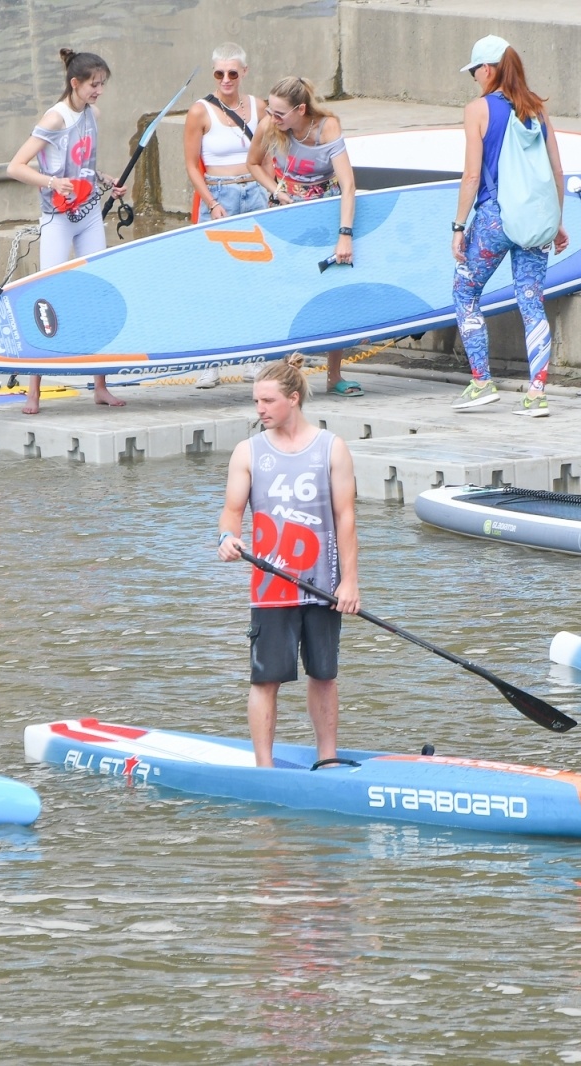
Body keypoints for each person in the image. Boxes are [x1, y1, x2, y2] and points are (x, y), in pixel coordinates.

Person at [217, 354, 360, 767]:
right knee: (266, 679)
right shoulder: (248, 452)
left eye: (267, 401)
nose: (259, 409)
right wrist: (228, 538)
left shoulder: (331, 448)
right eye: (256, 401)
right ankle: (264, 766)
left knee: (324, 675)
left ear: (293, 399)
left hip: (322, 584)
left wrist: (349, 582)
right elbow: (231, 512)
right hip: (271, 586)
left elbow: (346, 518)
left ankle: (328, 758)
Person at [449, 35, 569, 418]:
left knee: (465, 290)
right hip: (535, 220)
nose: (474, 79)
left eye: (474, 72)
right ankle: (536, 393)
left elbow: (471, 177)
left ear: (487, 69)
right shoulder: (537, 108)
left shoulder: (478, 109)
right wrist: (557, 221)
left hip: (493, 218)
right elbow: (556, 171)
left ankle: (482, 382)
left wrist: (458, 225)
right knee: (531, 301)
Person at [6, 48, 127, 413]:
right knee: (47, 297)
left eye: (102, 84)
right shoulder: (55, 119)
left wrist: (106, 179)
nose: (99, 91)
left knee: (100, 292)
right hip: (58, 218)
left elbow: (83, 164)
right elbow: (15, 166)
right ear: (75, 83)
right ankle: (33, 391)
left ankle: (100, 385)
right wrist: (51, 182)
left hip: (88, 214)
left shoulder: (92, 114)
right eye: (94, 84)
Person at [246, 77, 363, 397]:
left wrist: (345, 236)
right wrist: (275, 191)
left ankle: (334, 375)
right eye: (270, 110)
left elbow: (348, 186)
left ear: (301, 109)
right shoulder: (271, 125)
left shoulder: (327, 127)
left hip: (326, 217)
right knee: (289, 294)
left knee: (333, 296)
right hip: (291, 217)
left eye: (281, 112)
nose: (273, 117)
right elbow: (253, 163)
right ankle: (289, 375)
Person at [186, 43, 268, 390]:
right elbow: (192, 165)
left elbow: (267, 155)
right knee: (213, 279)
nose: (226, 79)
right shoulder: (200, 112)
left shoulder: (259, 107)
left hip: (254, 191)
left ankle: (254, 358)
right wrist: (211, 201)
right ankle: (210, 361)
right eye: (219, 73)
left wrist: (271, 189)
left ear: (244, 73)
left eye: (232, 73)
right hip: (219, 192)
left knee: (256, 276)